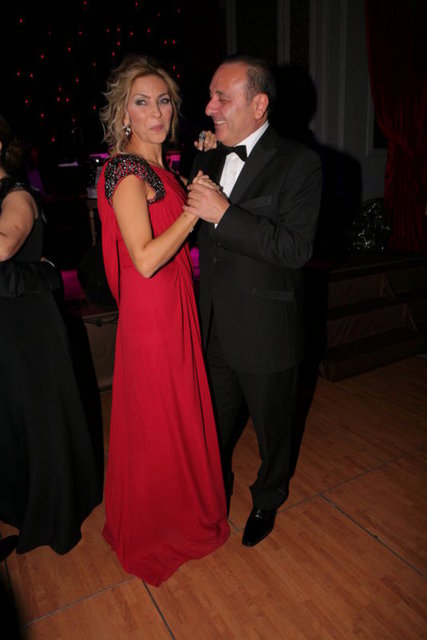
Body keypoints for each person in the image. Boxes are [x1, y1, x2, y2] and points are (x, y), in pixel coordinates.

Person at [96, 54, 229, 586]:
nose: (155, 112)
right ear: (123, 114)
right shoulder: (125, 170)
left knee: (174, 411)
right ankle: (159, 526)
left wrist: (204, 161)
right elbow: (147, 258)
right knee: (159, 417)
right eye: (142, 102)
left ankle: (176, 512)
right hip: (153, 312)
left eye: (163, 101)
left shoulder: (161, 170)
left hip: (173, 303)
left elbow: (175, 211)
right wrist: (195, 211)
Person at [186, 54, 322, 547]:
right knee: (212, 428)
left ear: (259, 105)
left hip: (266, 330)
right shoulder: (208, 155)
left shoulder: (300, 163)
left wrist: (225, 214)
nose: (209, 107)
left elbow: (295, 249)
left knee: (273, 432)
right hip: (212, 325)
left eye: (222, 98)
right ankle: (210, 497)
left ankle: (268, 497)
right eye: (210, 96)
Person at [0, 115, 101, 558]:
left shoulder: (16, 193)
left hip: (26, 326)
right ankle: (19, 503)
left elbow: (3, 247)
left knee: (35, 417)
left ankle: (53, 512)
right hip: (9, 321)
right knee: (11, 420)